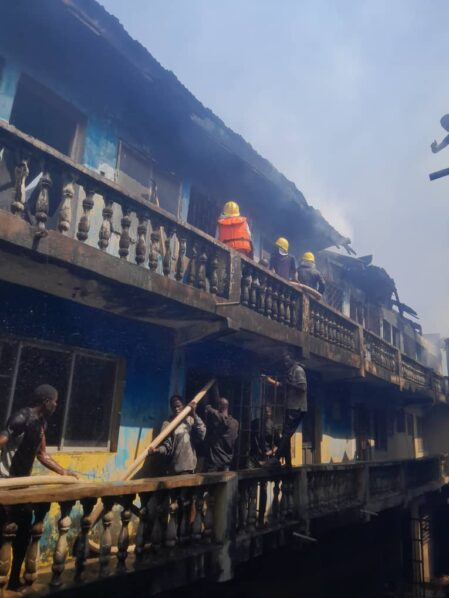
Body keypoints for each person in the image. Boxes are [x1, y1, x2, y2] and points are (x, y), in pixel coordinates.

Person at [0, 384, 78, 589]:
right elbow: (2, 440)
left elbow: (42, 454)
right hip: (6, 482)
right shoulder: (21, 418)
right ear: (46, 402)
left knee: (24, 533)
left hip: (23, 487)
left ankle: (14, 578)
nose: (57, 405)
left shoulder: (41, 422)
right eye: (55, 401)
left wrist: (63, 472)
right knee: (4, 531)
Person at [264, 350, 307, 467]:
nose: (285, 364)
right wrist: (271, 381)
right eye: (284, 361)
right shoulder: (291, 371)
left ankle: (276, 458)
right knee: (286, 434)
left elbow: (302, 388)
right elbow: (284, 386)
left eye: (287, 361)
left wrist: (289, 385)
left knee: (286, 434)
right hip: (290, 406)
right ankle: (288, 462)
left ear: (292, 359)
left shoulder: (298, 370)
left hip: (297, 407)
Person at [149, 395, 206, 475]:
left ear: (183, 406)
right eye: (173, 407)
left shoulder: (190, 420)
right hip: (174, 467)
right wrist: (158, 450)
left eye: (178, 406)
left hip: (189, 466)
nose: (176, 409)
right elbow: (167, 446)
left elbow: (202, 432)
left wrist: (194, 414)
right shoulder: (167, 424)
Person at [205, 398, 239, 472]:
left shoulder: (228, 422)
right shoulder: (235, 423)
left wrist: (210, 409)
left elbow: (224, 421)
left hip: (215, 463)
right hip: (227, 463)